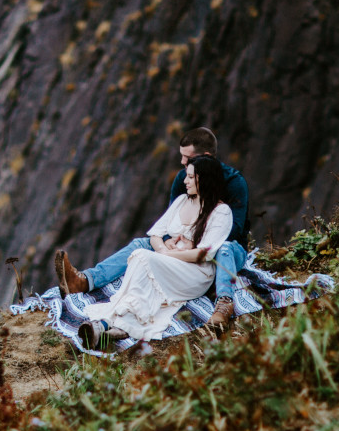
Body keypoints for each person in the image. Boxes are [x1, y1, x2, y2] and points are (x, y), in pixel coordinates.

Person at [55, 127, 250, 327]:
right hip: (184, 248)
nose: (182, 163)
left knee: (224, 249)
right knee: (143, 243)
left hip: (227, 248)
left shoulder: (235, 184)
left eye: (187, 158)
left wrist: (189, 246)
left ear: (205, 157)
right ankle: (86, 281)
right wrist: (169, 244)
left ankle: (224, 304)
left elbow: (231, 231)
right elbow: (172, 222)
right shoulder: (183, 182)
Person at [76, 156, 233, 347]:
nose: (185, 181)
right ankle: (112, 326)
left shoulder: (221, 212)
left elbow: (203, 255)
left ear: (205, 179)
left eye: (191, 177)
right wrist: (163, 248)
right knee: (142, 260)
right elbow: (155, 235)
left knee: (141, 256)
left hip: (196, 273)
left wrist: (168, 255)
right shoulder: (182, 200)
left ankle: (108, 322)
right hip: (168, 262)